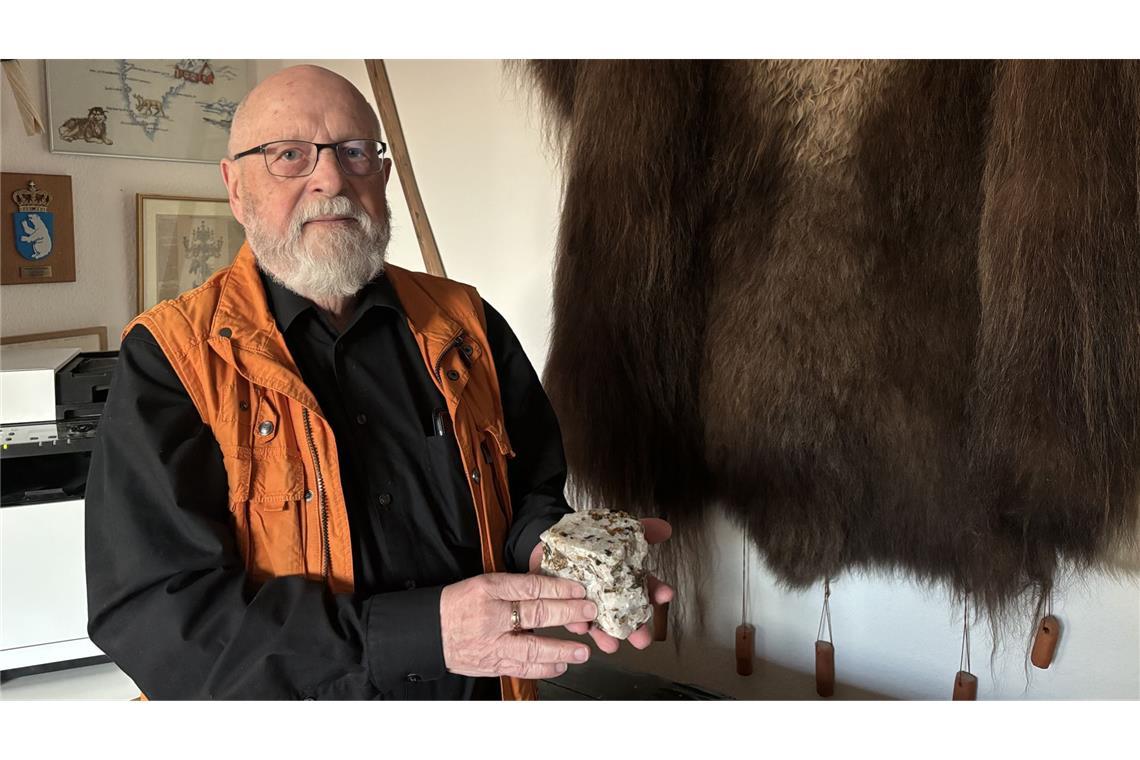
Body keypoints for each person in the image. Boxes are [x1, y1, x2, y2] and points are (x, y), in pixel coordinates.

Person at [85, 65, 673, 700]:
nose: (331, 179)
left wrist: (548, 550)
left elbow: (530, 485)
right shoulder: (172, 358)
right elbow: (160, 620)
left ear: (383, 174)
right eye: (290, 156)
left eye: (356, 152)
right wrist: (422, 635)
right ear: (235, 186)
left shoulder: (467, 323)